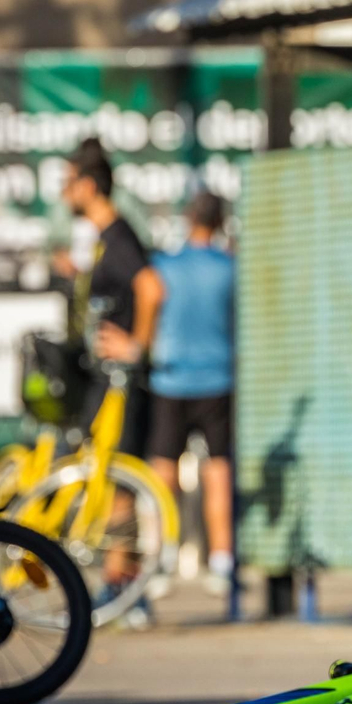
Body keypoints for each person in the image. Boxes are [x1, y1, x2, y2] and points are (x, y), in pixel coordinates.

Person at [60, 138, 164, 613]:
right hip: (106, 379)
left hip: (122, 382)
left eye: (67, 184)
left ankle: (124, 590)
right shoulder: (104, 239)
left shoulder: (119, 235)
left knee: (119, 485)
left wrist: (136, 347)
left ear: (87, 185)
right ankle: (120, 585)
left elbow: (151, 288)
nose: (63, 194)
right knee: (107, 480)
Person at [148, 191, 237, 595]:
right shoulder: (231, 268)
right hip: (218, 379)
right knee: (218, 472)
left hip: (170, 380)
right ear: (220, 222)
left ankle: (162, 558)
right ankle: (221, 562)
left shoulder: (163, 266)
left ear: (188, 218)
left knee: (162, 471)